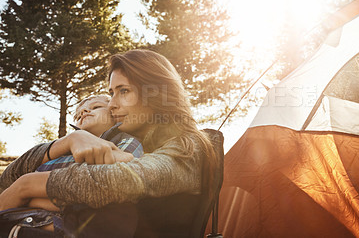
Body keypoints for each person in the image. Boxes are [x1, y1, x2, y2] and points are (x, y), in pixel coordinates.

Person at [0, 49, 217, 237]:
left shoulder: (187, 147)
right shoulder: (124, 142)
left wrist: (26, 187)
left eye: (124, 91)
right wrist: (67, 141)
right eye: (112, 93)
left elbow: (115, 181)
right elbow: (7, 179)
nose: (112, 104)